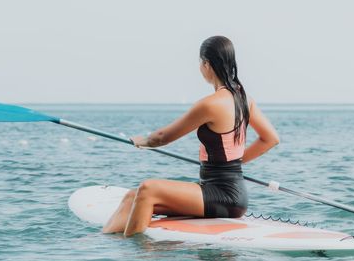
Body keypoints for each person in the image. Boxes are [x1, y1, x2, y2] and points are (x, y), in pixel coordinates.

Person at [102, 36, 280, 237]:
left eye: (200, 63)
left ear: (206, 64)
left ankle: (137, 252)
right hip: (226, 191)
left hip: (223, 196)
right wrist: (235, 162)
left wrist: (142, 140)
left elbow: (161, 138)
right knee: (131, 197)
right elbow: (271, 138)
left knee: (147, 189)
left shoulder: (211, 104)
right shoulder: (244, 99)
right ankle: (101, 240)